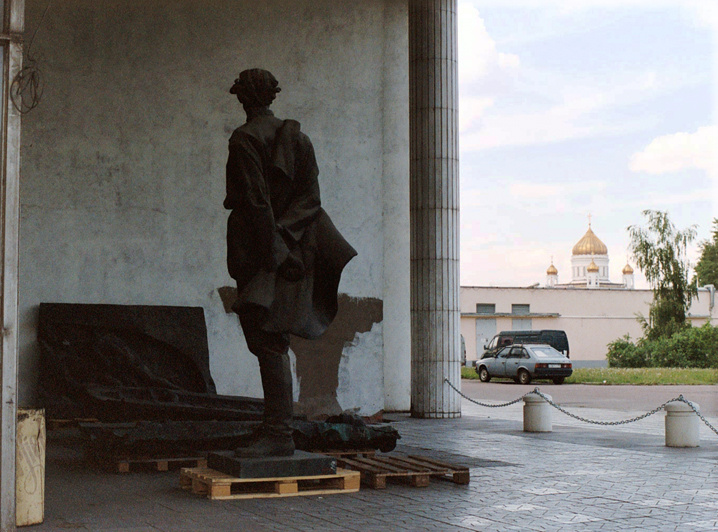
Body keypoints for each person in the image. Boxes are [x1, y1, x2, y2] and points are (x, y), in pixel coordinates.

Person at [224, 69, 357, 458]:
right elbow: (310, 199)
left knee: (266, 339)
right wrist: (286, 242)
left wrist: (274, 252)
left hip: (261, 251)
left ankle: (279, 432)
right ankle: (276, 427)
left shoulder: (245, 138)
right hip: (293, 247)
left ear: (243, 97)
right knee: (273, 338)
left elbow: (256, 202)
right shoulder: (299, 138)